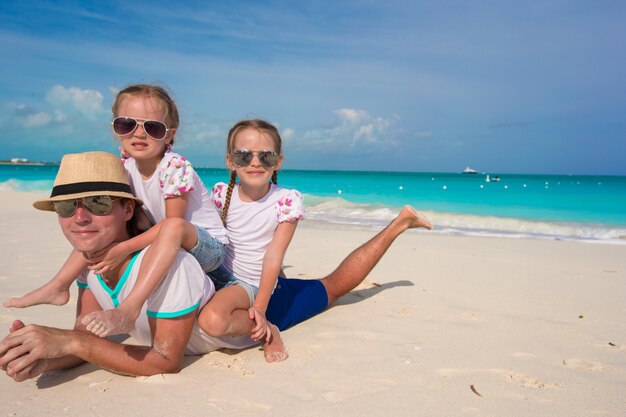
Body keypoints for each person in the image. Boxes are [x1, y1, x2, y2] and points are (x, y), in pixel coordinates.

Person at [0, 151, 432, 382]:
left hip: (248, 314)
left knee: (333, 286)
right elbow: (82, 340)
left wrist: (70, 345)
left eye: (96, 203)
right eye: (67, 207)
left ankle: (398, 223)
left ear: (127, 209)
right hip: (228, 285)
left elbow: (163, 362)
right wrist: (42, 356)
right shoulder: (88, 267)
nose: (80, 218)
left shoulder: (171, 267)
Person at [4, 85, 228, 339]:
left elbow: (173, 224)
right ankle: (59, 285)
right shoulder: (125, 166)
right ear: (115, 128)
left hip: (207, 251)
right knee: (97, 229)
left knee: (172, 226)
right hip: (163, 241)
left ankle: (129, 309)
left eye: (153, 127)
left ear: (169, 135)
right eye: (127, 124)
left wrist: (123, 248)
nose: (139, 133)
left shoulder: (174, 166)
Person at [200, 119, 302, 363]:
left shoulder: (286, 201)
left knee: (212, 320)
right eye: (244, 156)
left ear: (277, 162)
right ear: (230, 162)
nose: (255, 162)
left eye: (265, 156)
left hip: (247, 282)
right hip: (217, 273)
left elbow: (274, 256)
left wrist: (261, 308)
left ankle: (268, 331)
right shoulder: (221, 193)